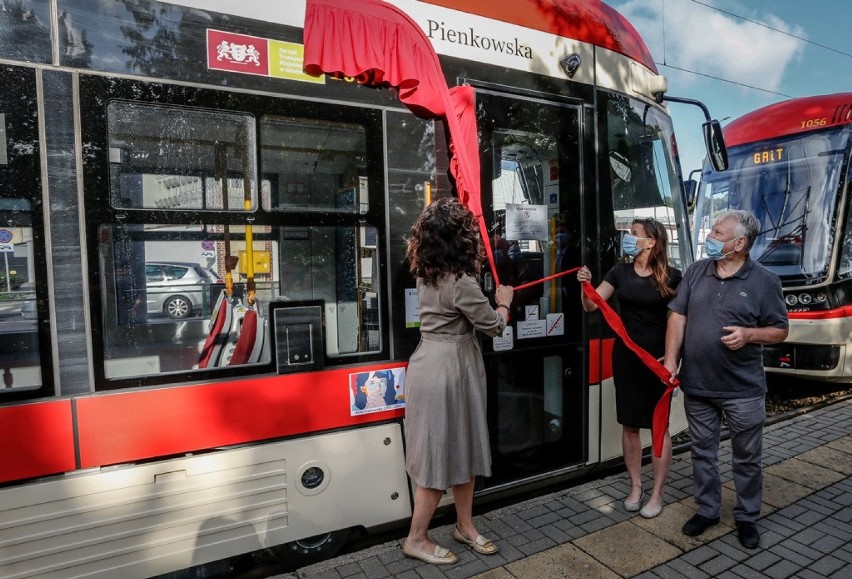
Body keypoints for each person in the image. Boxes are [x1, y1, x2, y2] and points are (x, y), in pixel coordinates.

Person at [663, 210, 788, 549]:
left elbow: (779, 331)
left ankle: (747, 516)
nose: (711, 237)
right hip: (698, 385)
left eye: (718, 233)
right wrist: (672, 360)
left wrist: (749, 334)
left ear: (739, 243)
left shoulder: (765, 281)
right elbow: (678, 316)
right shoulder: (695, 271)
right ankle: (707, 510)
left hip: (742, 390)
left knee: (746, 457)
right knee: (702, 452)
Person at [402, 197, 514, 565]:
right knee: (439, 457)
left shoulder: (426, 272)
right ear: (460, 238)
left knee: (459, 447)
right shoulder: (461, 282)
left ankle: (465, 526)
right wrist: (504, 303)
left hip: (430, 363)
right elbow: (494, 327)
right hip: (451, 368)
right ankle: (417, 538)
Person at [577, 218, 681, 519]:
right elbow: (592, 306)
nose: (626, 237)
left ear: (651, 242)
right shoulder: (618, 272)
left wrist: (675, 358)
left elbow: (682, 320)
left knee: (660, 427)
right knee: (630, 424)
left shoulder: (673, 277)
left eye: (633, 234)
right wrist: (586, 285)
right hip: (626, 358)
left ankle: (657, 493)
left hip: (659, 362)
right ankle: (635, 486)